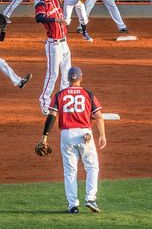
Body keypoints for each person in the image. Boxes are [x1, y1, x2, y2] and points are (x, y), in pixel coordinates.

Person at [38, 66, 106, 214]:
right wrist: (102, 135)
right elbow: (99, 116)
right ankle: (90, 198)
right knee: (92, 167)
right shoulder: (88, 93)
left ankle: (72, 205)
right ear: (81, 77)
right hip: (84, 135)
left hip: (67, 135)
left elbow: (51, 116)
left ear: (69, 79)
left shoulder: (60, 94)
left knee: (70, 171)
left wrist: (45, 136)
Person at [35, 0, 72, 114]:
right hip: (53, 45)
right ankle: (44, 102)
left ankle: (64, 101)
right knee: (53, 74)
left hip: (64, 42)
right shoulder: (41, 5)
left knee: (66, 73)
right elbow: (38, 18)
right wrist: (55, 19)